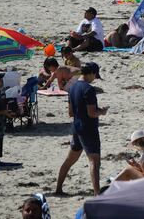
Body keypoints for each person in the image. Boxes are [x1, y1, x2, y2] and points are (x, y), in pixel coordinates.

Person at [56, 62, 107, 196]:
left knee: (69, 161)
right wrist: (101, 112)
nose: (95, 78)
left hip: (76, 127)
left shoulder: (72, 88)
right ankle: (97, 194)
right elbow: (91, 113)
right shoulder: (88, 90)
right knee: (94, 161)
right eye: (95, 75)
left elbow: (71, 113)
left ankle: (58, 189)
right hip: (88, 129)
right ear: (90, 73)